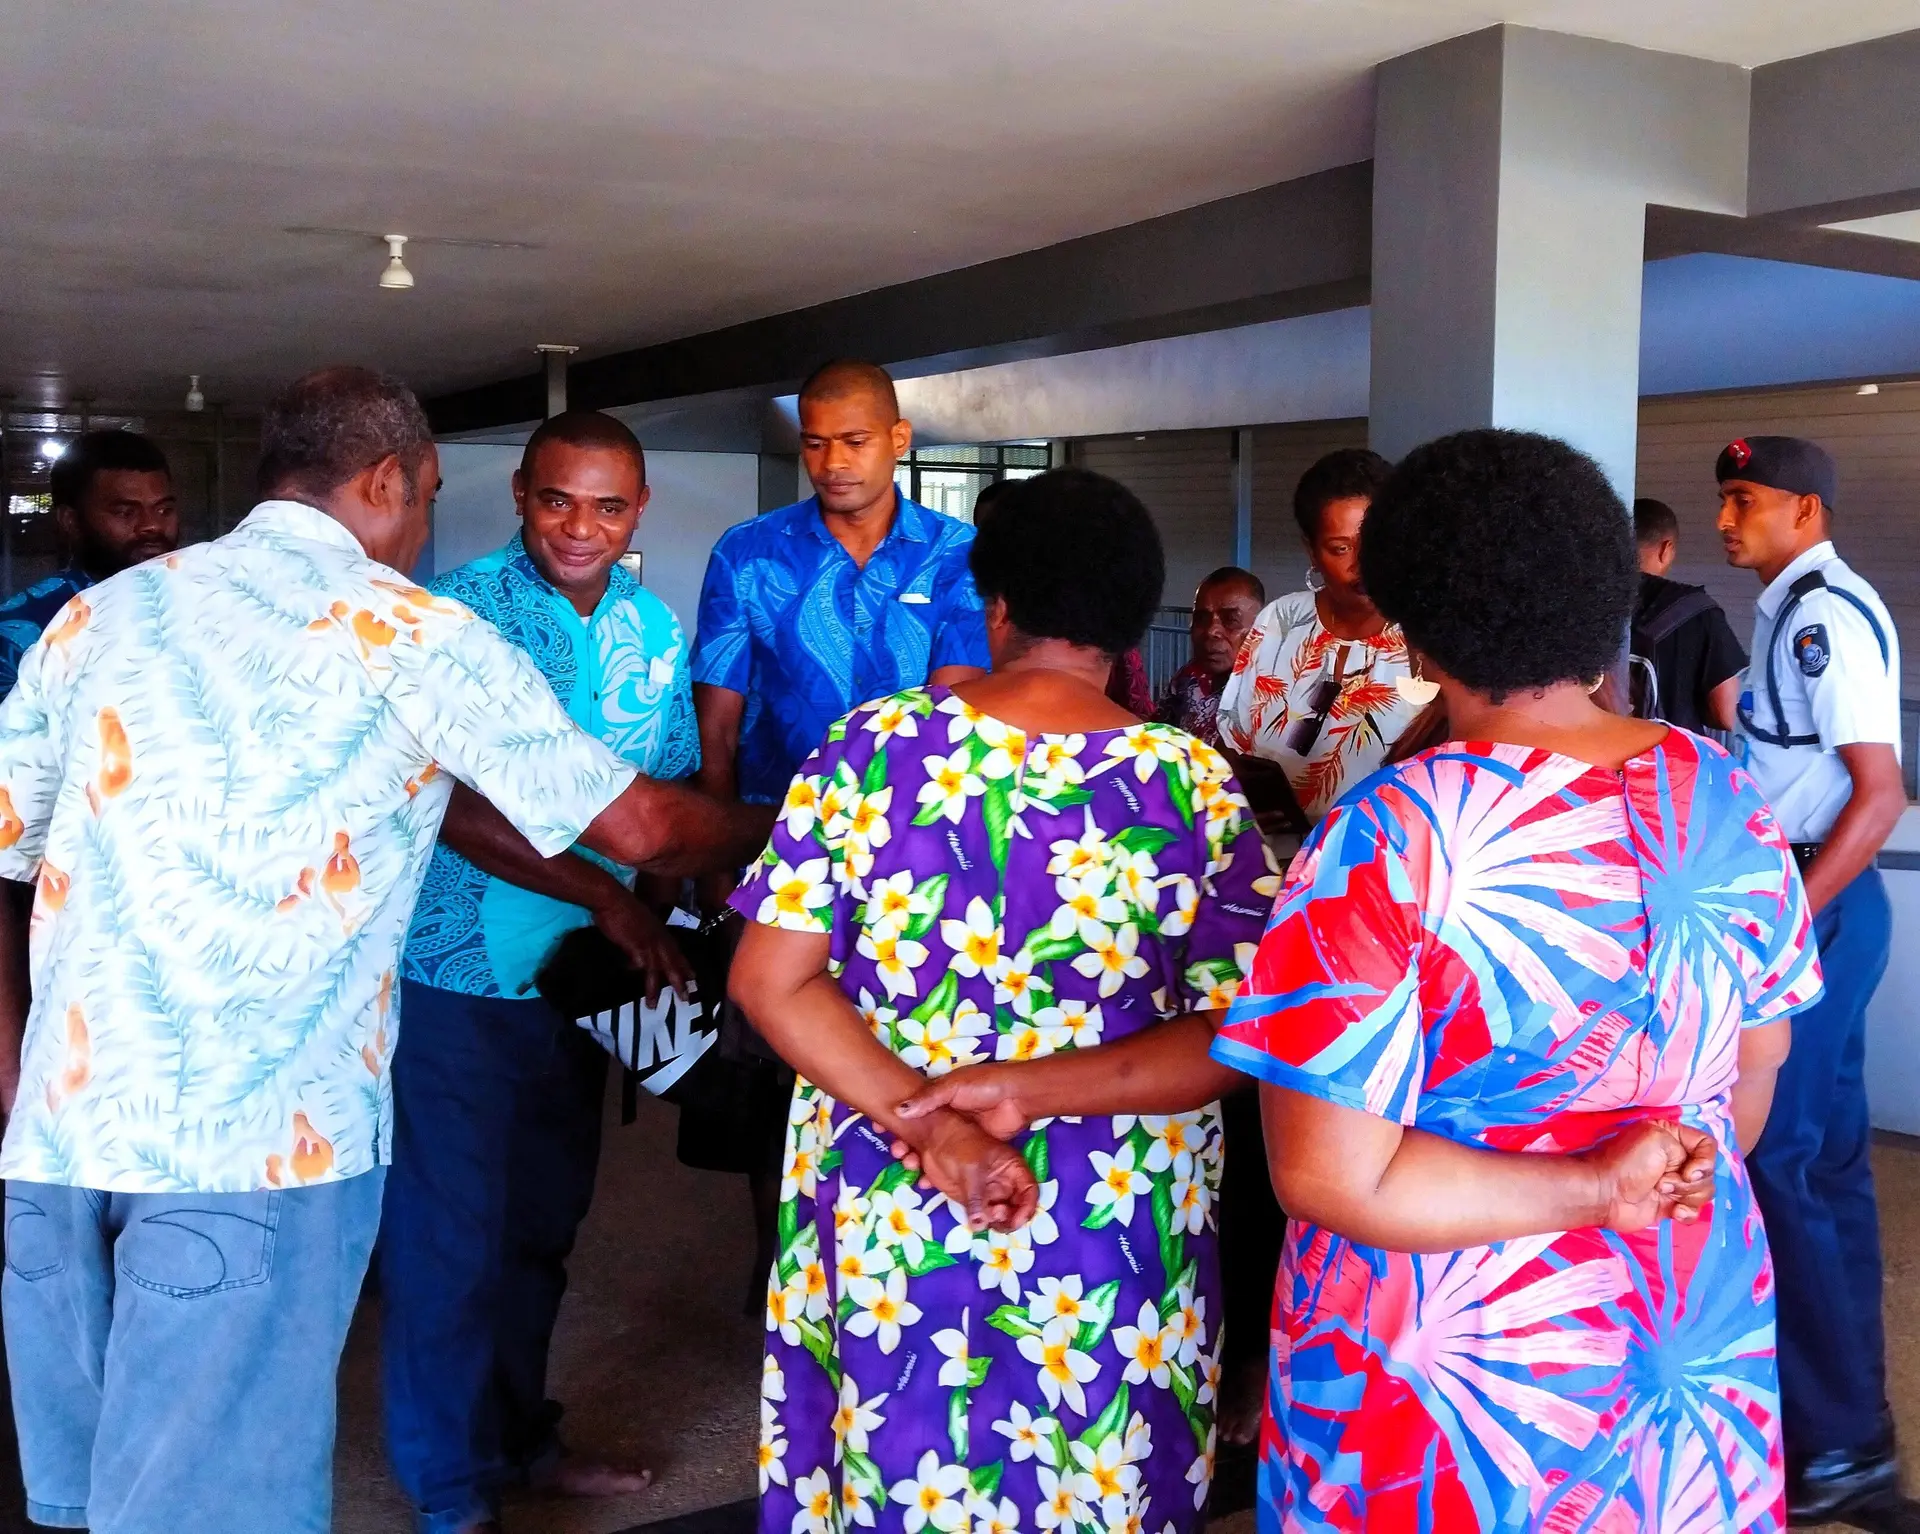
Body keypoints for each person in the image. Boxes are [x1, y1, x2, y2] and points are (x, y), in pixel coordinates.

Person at [0, 367, 771, 1534]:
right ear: (385, 480)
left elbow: (11, 848)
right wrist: (831, 806)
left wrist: (18, 1058)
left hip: (63, 1133)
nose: (419, 528)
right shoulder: (407, 627)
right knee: (213, 1504)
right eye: (425, 497)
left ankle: (506, 1445)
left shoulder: (101, 615)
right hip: (255, 1141)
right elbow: (643, 827)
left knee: (98, 1491)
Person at [1211, 427, 1819, 1533]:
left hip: (1447, 1380)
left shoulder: (1383, 838)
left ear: (1409, 623)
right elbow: (1752, 1080)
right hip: (1680, 1324)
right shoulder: (1724, 793)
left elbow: (1330, 1177)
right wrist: (1640, 1183)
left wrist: (1591, 1188)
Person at [728, 467, 1276, 1534]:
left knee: (899, 1454)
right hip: (1111, 1217)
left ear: (996, 605)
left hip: (894, 1192)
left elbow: (767, 979)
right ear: (1131, 629)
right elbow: (1237, 1036)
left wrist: (934, 1125)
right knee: (1095, 1465)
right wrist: (1025, 1090)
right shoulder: (1192, 784)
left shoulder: (869, 747)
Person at [385, 411, 702, 1533]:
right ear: (521, 492)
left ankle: (521, 1443)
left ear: (638, 511)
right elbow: (452, 804)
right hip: (456, 978)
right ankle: (449, 1494)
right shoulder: (455, 616)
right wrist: (611, 897)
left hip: (577, 987)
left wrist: (650, 913)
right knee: (449, 1245)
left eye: (607, 507)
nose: (581, 527)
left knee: (539, 1230)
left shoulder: (654, 627)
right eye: (559, 500)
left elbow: (665, 788)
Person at [691, 359, 989, 1292]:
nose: (832, 462)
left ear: (898, 440)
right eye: (815, 443)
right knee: (775, 1063)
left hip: (917, 859)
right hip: (776, 852)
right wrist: (716, 862)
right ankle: (777, 1260)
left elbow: (958, 712)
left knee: (901, 1053)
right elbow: (719, 723)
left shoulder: (958, 556)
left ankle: (893, 1264)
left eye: (854, 441)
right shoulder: (749, 554)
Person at [1718, 435, 1909, 1524]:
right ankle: (1845, 1439)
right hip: (1816, 902)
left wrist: (1787, 921)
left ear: (1806, 509)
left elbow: (1877, 795)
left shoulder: (1822, 613)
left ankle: (1834, 1443)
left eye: (1744, 499)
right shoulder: (1792, 608)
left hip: (1817, 902)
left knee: (1782, 1164)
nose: (1726, 519)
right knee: (1823, 1167)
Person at [1218, 448, 1417, 831]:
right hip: (1280, 855)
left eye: (1375, 541)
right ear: (1311, 550)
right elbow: (1233, 742)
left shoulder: (1425, 633)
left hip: (1385, 855)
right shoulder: (1280, 622)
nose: (1362, 564)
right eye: (1340, 549)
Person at [0, 429, 179, 696]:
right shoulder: (22, 631)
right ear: (70, 521)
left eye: (164, 510)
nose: (152, 525)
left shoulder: (209, 604)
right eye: (125, 512)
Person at [1629, 496, 1745, 731]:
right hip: (1666, 750)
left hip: (1589, 748)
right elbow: (1726, 715)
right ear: (1666, 549)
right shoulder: (1697, 610)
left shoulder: (1587, 599)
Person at [1155, 567, 1266, 747]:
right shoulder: (1187, 677)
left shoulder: (1273, 696)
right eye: (1202, 619)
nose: (1211, 631)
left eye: (1230, 620)